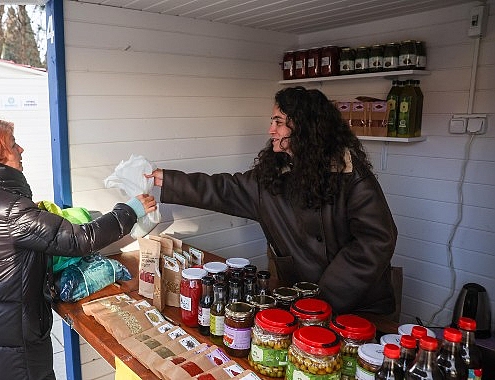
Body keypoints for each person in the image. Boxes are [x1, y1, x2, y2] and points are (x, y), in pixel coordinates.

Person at [147, 86, 397, 316]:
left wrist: (325, 298)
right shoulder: (274, 174)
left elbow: (376, 240)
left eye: (278, 122)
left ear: (305, 126)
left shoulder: (350, 175)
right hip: (300, 300)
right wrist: (167, 180)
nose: (271, 130)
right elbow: (224, 189)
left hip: (356, 306)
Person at [0, 117, 156, 380]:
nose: (21, 150)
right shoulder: (12, 211)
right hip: (7, 345)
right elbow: (80, 239)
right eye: (13, 144)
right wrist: (130, 210)